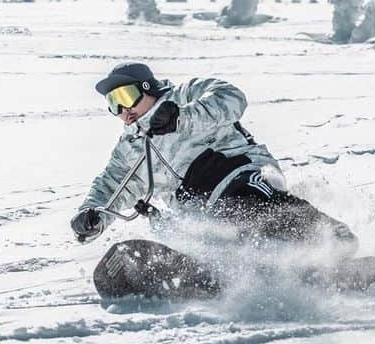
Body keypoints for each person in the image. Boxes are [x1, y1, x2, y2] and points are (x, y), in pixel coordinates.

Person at [71, 62, 358, 256]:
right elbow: (109, 186)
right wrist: (92, 216)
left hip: (237, 171)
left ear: (146, 88)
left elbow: (232, 97)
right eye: (112, 103)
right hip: (198, 206)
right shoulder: (130, 147)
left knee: (244, 202)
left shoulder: (182, 96)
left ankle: (329, 238)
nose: (122, 109)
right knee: (202, 231)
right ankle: (244, 269)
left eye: (125, 96)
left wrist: (181, 118)